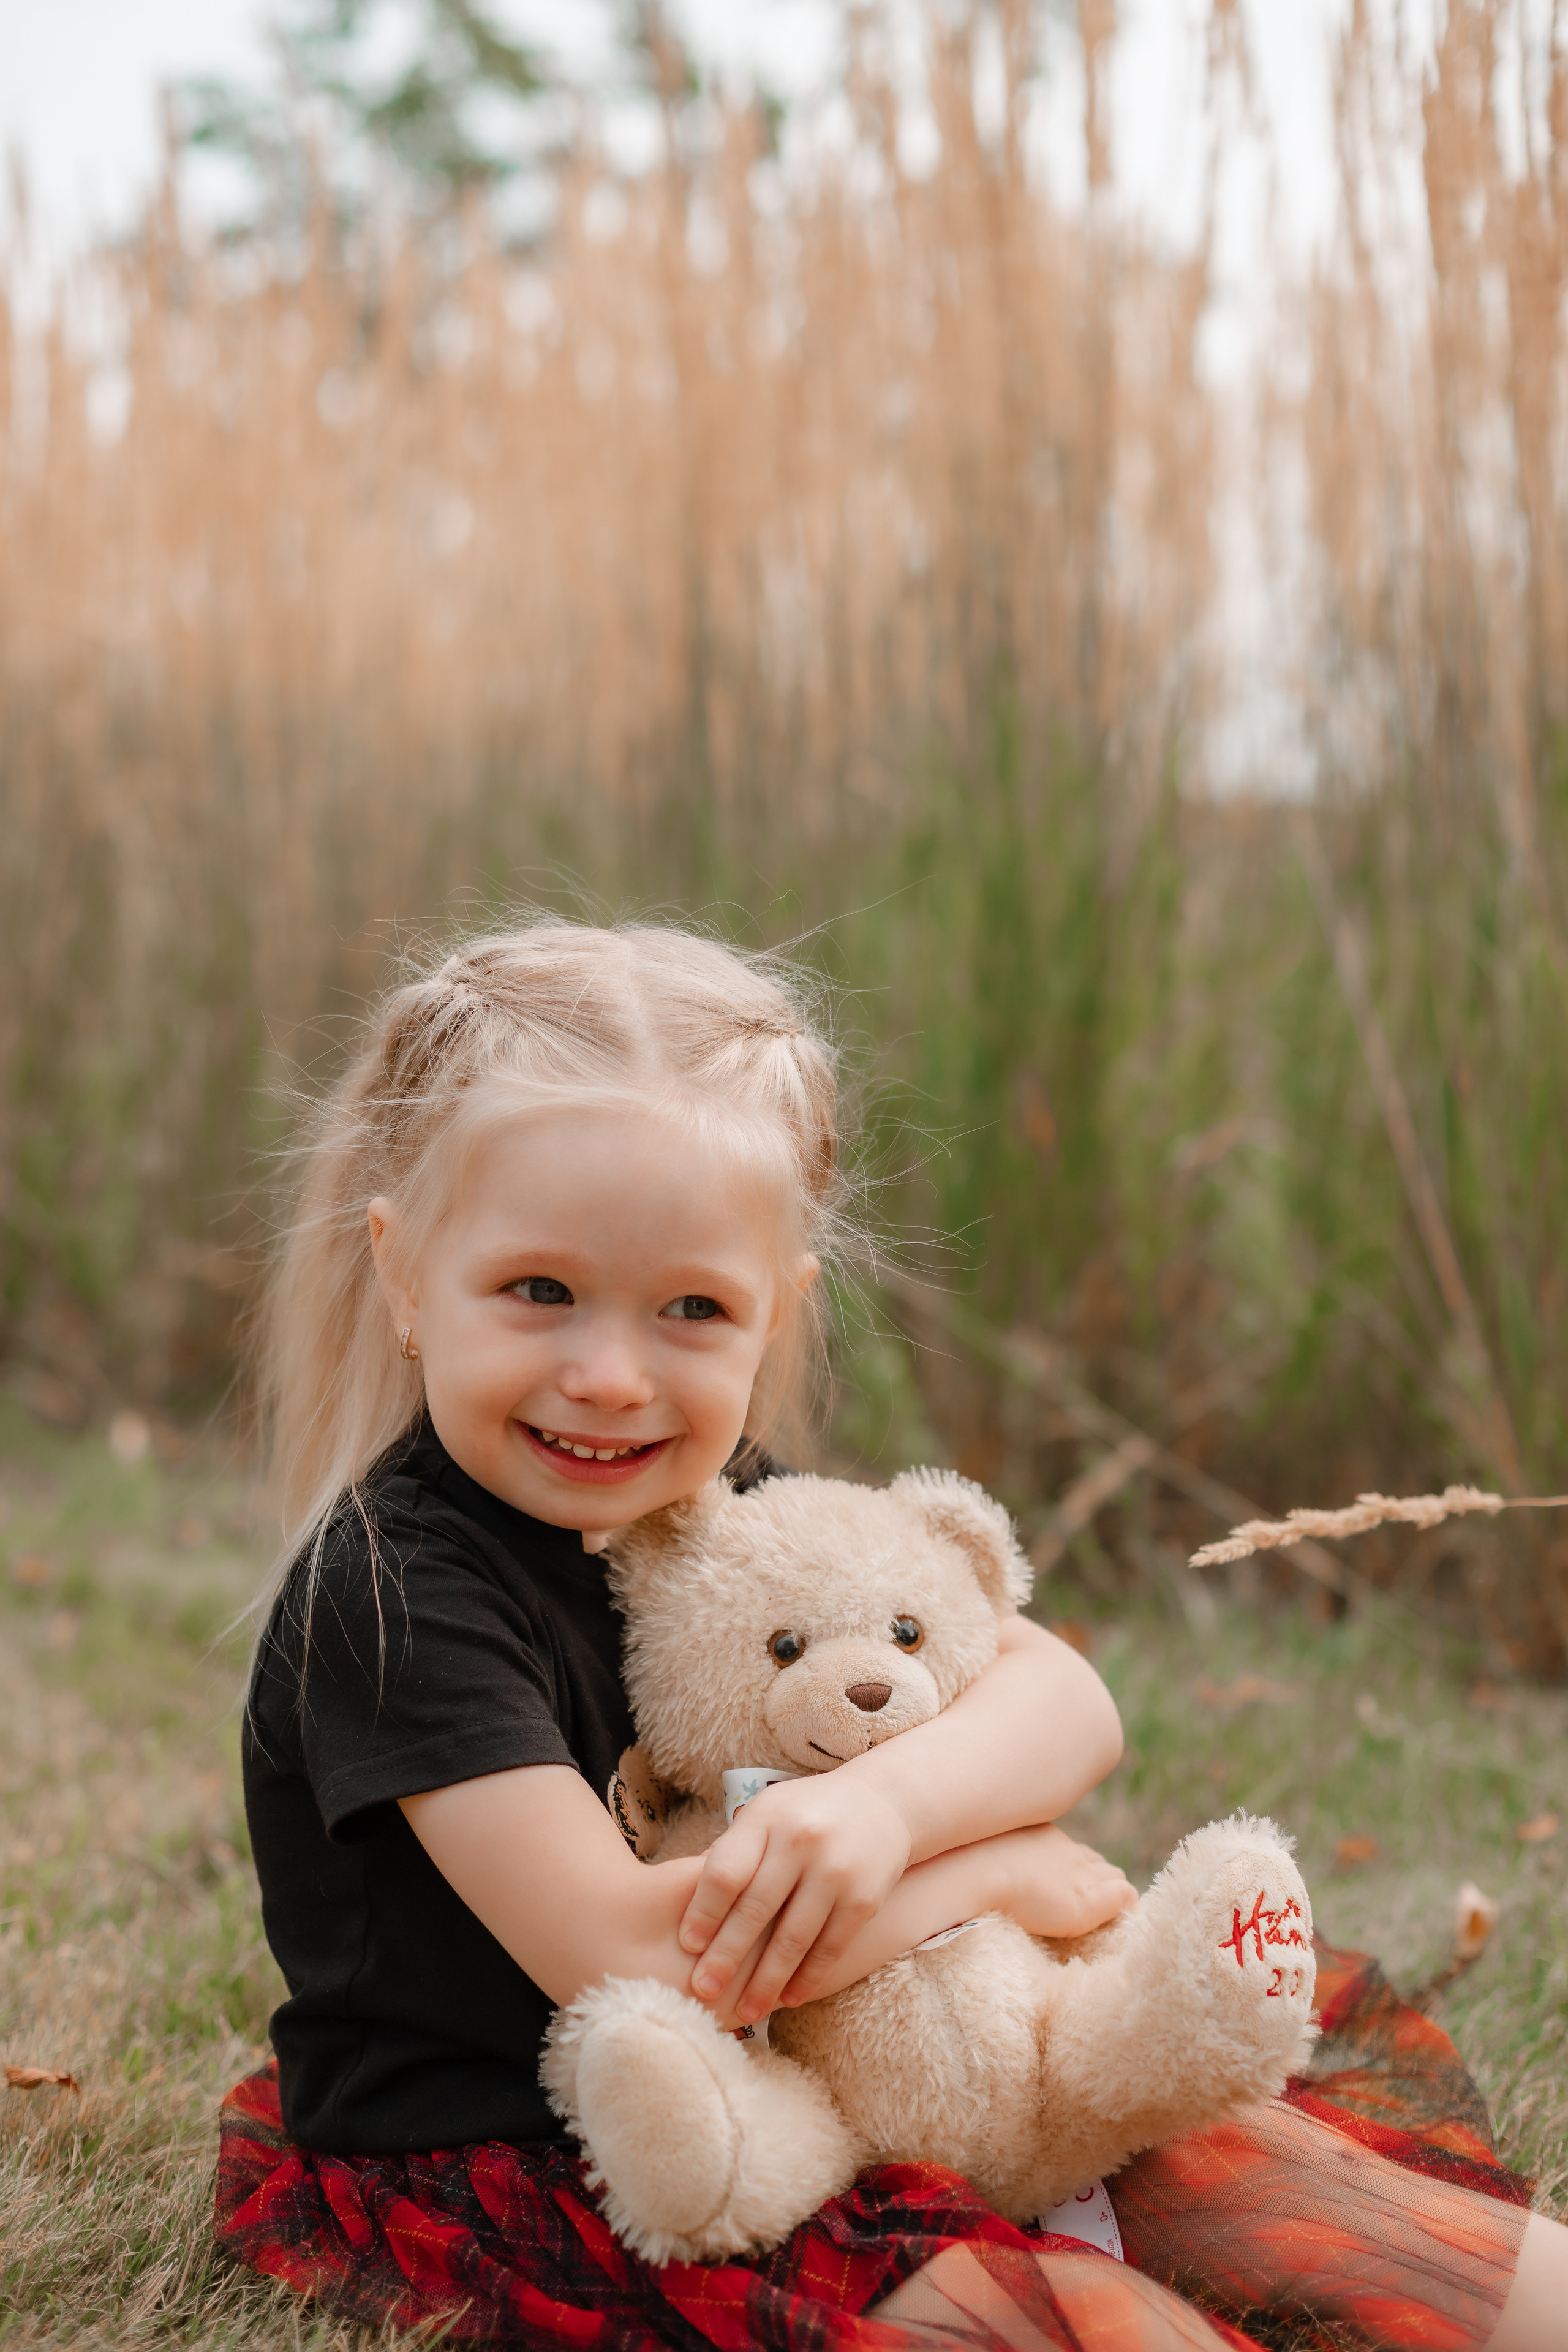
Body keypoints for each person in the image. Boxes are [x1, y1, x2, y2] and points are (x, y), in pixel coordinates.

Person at [222, 917, 1566, 2352]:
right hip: (570, 2155)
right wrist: (995, 1865)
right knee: (1095, 2326)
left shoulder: (725, 1511)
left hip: (846, 2071)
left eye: (691, 1309)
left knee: (1327, 2204)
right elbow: (644, 1964)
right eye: (539, 1291)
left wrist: (888, 1809)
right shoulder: (393, 1589)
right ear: (406, 1273)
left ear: (774, 1314)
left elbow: (1063, 1700)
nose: (609, 1375)